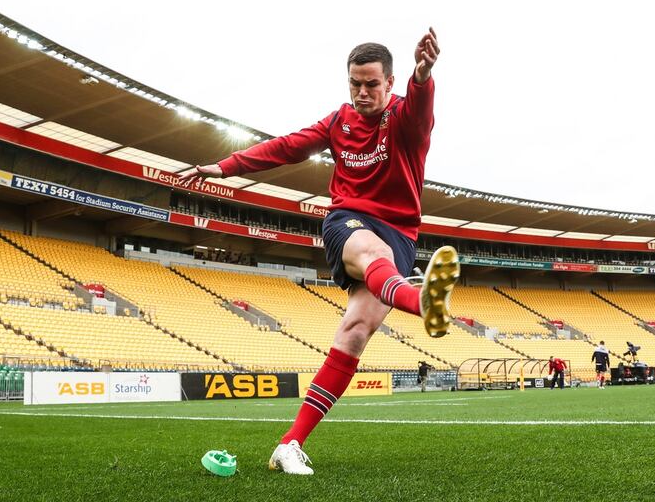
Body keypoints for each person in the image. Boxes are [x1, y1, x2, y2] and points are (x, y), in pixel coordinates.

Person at [180, 29, 458, 475]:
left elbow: (421, 108)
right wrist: (226, 166)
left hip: (401, 237)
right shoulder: (338, 122)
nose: (362, 92)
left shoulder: (405, 118)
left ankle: (288, 445)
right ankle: (419, 299)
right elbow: (287, 146)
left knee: (354, 333)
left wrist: (423, 75)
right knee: (370, 253)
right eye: (355, 83)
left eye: (371, 84)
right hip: (348, 222)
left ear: (390, 83)